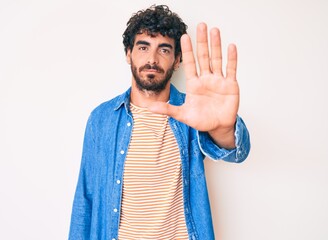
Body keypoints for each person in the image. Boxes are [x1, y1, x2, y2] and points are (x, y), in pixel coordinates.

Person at [69, 5, 250, 240]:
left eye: (164, 50)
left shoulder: (193, 112)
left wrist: (223, 129)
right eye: (143, 47)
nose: (152, 59)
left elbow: (234, 150)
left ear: (177, 61)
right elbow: (86, 198)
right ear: (128, 53)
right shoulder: (101, 118)